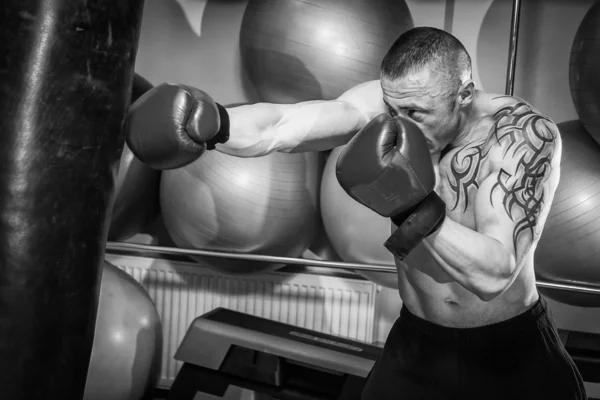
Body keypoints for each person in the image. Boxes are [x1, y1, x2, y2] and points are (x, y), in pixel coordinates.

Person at [126, 27, 586, 399]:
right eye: (392, 107)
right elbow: (286, 126)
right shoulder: (393, 101)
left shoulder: (520, 138)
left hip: (508, 356)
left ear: (463, 94)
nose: (400, 121)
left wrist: (411, 204)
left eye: (416, 112)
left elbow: (494, 274)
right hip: (417, 345)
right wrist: (215, 124)